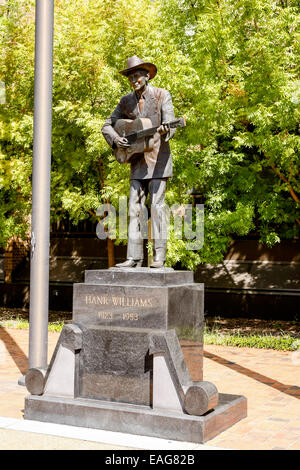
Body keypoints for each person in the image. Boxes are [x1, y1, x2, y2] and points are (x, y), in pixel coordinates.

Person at [101, 56, 176, 268]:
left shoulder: (162, 95)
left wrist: (167, 129)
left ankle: (159, 256)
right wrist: (117, 139)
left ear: (147, 76)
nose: (134, 80)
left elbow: (171, 121)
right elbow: (107, 125)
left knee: (157, 207)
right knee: (134, 208)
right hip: (137, 162)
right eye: (130, 77)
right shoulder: (126, 101)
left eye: (137, 76)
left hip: (159, 161)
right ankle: (134, 257)